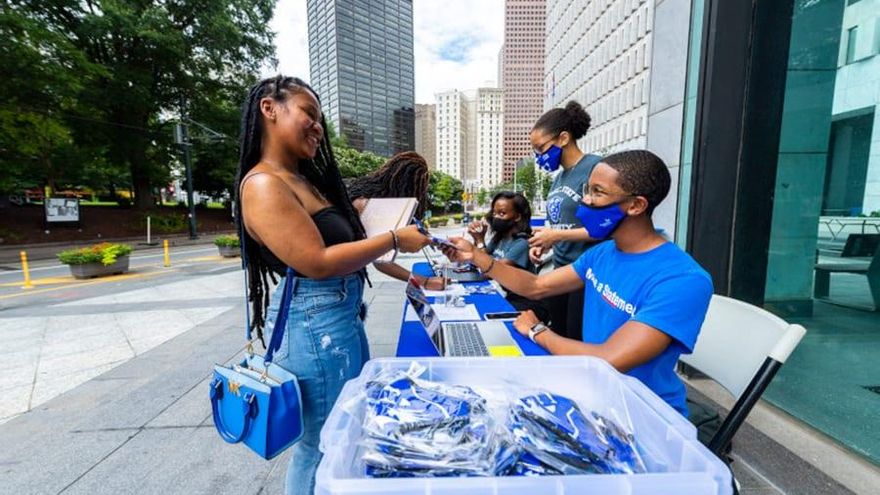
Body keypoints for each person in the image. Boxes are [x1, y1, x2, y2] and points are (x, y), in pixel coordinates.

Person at [234, 75, 430, 495]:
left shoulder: (303, 180)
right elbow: (317, 263)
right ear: (270, 108)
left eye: (320, 119)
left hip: (339, 319)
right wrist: (394, 239)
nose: (318, 127)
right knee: (321, 443)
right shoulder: (264, 184)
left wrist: (362, 216)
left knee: (344, 430)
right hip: (314, 327)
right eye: (309, 114)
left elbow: (347, 246)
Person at [442, 150, 713, 417]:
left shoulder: (683, 280)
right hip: (594, 396)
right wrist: (475, 256)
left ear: (636, 205)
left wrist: (538, 331)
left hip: (641, 415)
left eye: (598, 192)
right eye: (587, 189)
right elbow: (537, 286)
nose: (585, 200)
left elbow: (609, 359)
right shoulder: (603, 253)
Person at [528, 101, 602, 341]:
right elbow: (563, 223)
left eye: (541, 148)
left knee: (574, 339)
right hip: (560, 270)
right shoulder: (559, 178)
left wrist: (557, 236)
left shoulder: (595, 169)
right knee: (557, 333)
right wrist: (546, 241)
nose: (538, 156)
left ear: (563, 138)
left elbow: (603, 229)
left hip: (585, 274)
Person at [348, 151, 448, 290]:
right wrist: (424, 282)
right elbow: (382, 262)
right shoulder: (368, 205)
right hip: (339, 286)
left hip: (346, 282)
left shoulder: (364, 196)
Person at [467, 191, 549, 321]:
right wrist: (478, 238)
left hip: (527, 302)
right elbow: (480, 260)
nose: (496, 217)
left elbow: (489, 271)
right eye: (494, 213)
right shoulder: (499, 237)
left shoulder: (522, 243)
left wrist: (479, 241)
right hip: (509, 295)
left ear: (517, 217)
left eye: (502, 213)